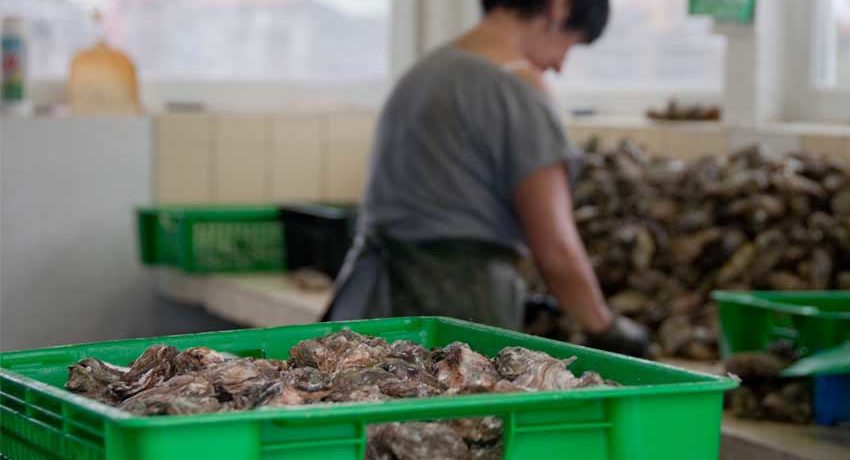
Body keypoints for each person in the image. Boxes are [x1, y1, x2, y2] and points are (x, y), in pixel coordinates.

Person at [324, 0, 650, 357]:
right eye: (569, 45)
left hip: (371, 302)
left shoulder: (424, 74)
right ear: (558, 9)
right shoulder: (517, 90)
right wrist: (604, 327)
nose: (559, 65)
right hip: (460, 313)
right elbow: (556, 250)